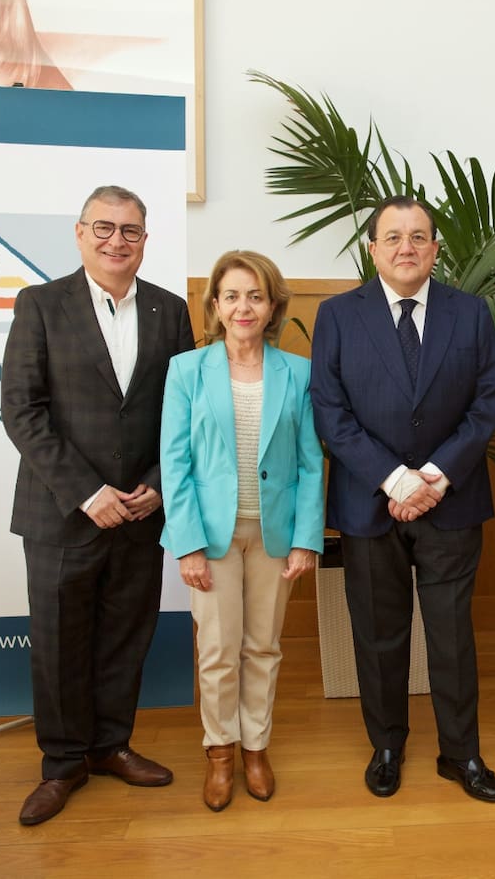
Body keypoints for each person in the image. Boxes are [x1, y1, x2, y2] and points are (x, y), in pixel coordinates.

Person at [1, 185, 194, 825]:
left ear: (145, 240)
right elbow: (22, 411)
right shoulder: (39, 304)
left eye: (130, 230)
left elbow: (183, 412)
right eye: (104, 228)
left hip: (140, 511)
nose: (117, 240)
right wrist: (87, 492)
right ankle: (62, 765)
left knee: (124, 636)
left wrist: (159, 482)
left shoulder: (170, 311)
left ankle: (111, 745)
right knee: (58, 644)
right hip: (62, 513)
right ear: (81, 233)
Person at [310, 195, 495, 803]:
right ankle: (388, 745)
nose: (406, 247)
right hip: (370, 504)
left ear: (435, 249)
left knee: (451, 636)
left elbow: (487, 402)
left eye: (418, 236)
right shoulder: (337, 315)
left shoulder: (470, 313)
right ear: (372, 249)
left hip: (452, 501)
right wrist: (395, 480)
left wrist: (435, 477)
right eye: (393, 237)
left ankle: (461, 753)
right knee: (378, 634)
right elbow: (330, 411)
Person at [159, 250, 324, 811]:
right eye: (231, 296)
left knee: (263, 647)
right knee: (217, 650)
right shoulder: (187, 370)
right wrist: (187, 545)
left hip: (274, 534)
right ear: (215, 305)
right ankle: (220, 752)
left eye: (255, 296)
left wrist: (305, 539)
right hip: (210, 537)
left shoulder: (297, 372)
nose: (243, 307)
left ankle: (256, 747)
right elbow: (175, 463)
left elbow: (310, 464)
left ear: (273, 305)